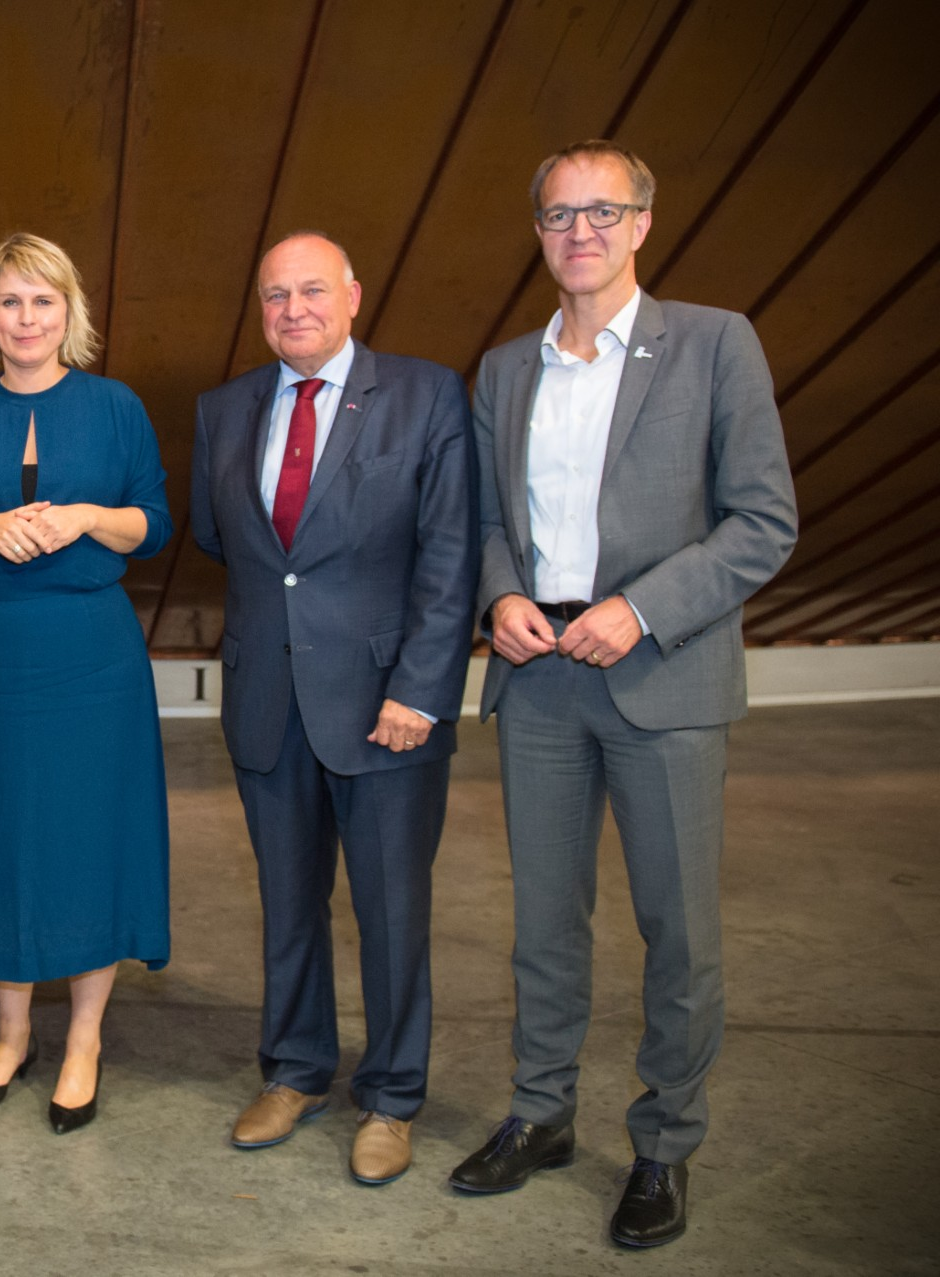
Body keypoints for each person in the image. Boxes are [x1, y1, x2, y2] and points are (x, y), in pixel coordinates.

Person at [451, 141, 797, 1248]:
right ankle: (542, 1111)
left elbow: (764, 520)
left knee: (676, 928)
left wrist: (640, 609)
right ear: (538, 231)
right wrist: (501, 597)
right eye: (560, 214)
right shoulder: (505, 369)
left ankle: (664, 1143)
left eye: (604, 211)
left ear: (644, 222)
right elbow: (486, 520)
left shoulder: (715, 342)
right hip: (539, 675)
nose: (581, 231)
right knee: (544, 920)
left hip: (664, 673)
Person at [189, 232, 477, 1183]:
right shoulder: (223, 408)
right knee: (287, 902)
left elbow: (451, 554)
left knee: (391, 910)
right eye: (276, 295)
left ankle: (392, 1096)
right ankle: (296, 1069)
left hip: (386, 704)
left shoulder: (426, 394)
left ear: (354, 295)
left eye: (312, 290)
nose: (294, 310)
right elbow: (221, 537)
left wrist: (420, 689)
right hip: (268, 698)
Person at [0, 232, 172, 1135]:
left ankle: (85, 1040)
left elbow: (154, 522)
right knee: (3, 839)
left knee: (89, 841)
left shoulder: (115, 406)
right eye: (10, 301)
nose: (26, 318)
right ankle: (12, 1035)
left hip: (93, 656)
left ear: (70, 312)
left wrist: (91, 516)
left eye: (43, 301)